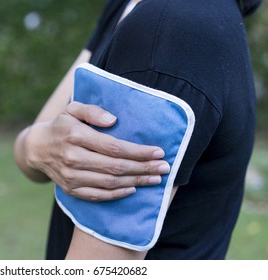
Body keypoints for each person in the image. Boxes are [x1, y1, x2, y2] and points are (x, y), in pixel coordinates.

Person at [14, 0, 261, 260]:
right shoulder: (127, 6)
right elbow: (36, 152)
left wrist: (37, 145)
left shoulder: (172, 26)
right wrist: (35, 145)